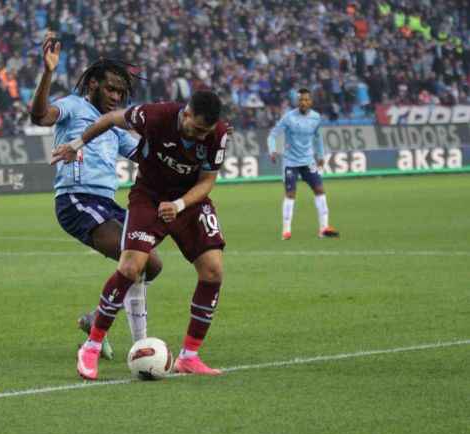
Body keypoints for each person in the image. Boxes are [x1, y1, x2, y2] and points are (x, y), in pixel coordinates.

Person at [52, 90, 229, 380]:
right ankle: (91, 346)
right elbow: (109, 118)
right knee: (131, 266)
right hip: (149, 197)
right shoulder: (154, 115)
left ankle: (189, 357)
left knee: (213, 271)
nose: (200, 136)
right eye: (196, 129)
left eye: (205, 131)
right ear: (185, 114)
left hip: (187, 202)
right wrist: (76, 143)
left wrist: (181, 204)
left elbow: (207, 180)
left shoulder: (217, 134)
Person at [30, 32, 163, 360]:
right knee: (136, 260)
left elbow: (145, 156)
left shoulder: (114, 126)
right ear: (92, 86)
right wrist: (48, 72)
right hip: (76, 200)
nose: (117, 96)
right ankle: (140, 347)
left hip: (106, 204)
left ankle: (96, 321)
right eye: (111, 89)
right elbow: (40, 116)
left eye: (121, 91)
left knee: (153, 264)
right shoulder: (73, 107)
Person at [267, 88, 340, 240]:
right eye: (301, 100)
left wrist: (320, 155)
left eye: (306, 100)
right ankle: (286, 231)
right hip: (291, 161)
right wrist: (272, 150)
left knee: (319, 189)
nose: (303, 102)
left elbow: (318, 138)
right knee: (290, 194)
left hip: (308, 160)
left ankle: (324, 228)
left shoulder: (316, 118)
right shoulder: (288, 117)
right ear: (297, 101)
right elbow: (273, 135)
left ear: (311, 101)